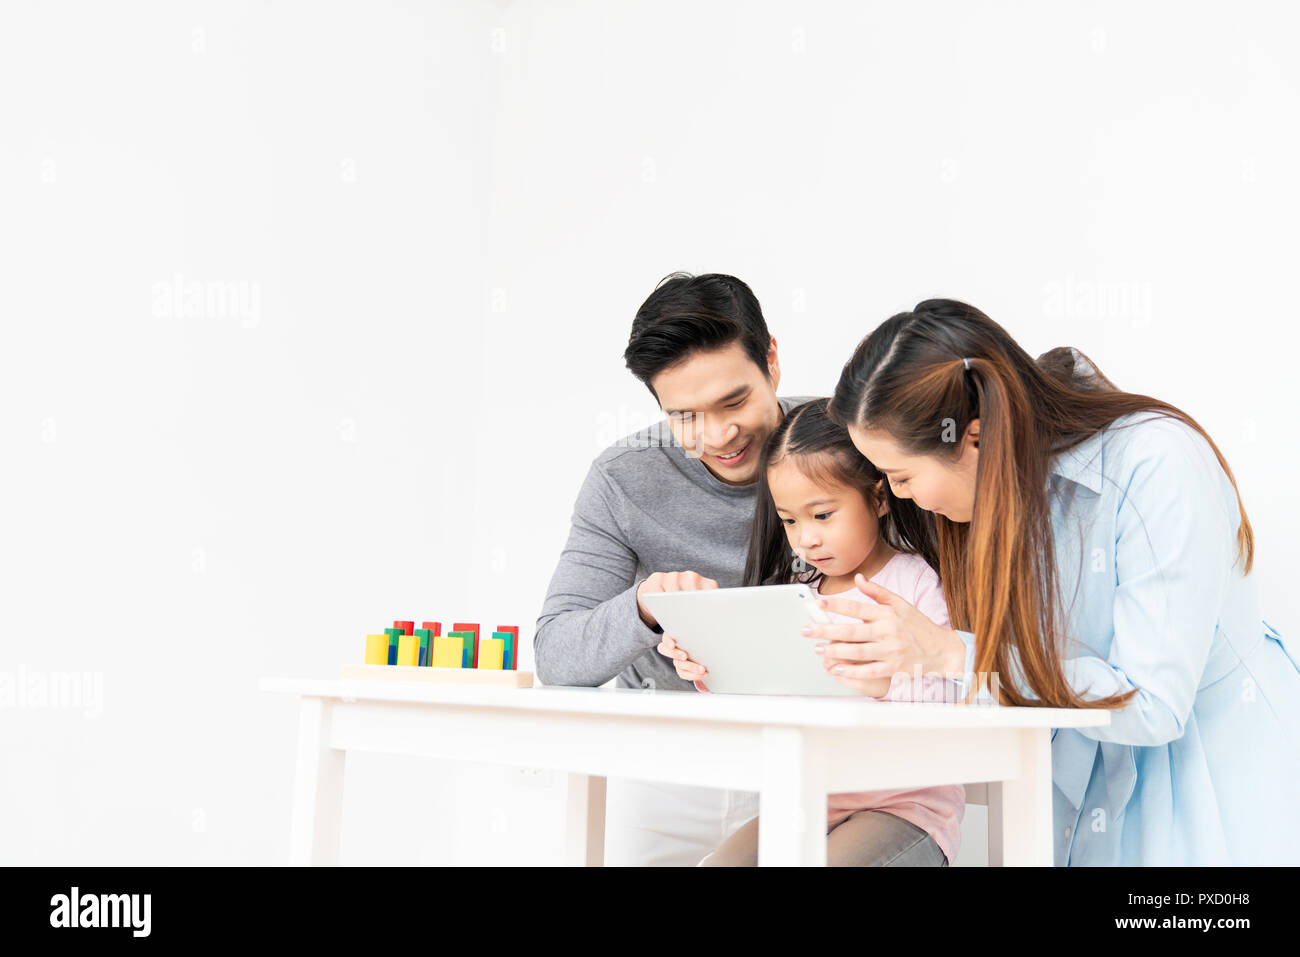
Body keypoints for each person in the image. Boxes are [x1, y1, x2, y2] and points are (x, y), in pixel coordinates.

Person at [802, 298, 1300, 865]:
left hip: (1214, 783)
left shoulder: (1157, 462)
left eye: (901, 476)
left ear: (975, 436)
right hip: (1083, 793)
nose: (900, 496)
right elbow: (1022, 679)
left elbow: (1153, 704)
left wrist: (952, 656)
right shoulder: (990, 501)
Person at [534, 271, 816, 865]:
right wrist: (647, 606)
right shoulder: (623, 478)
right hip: (667, 765)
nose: (718, 435)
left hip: (817, 760)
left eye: (734, 401)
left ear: (772, 361)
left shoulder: (843, 443)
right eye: (685, 416)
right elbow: (556, 654)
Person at [660, 398, 963, 866]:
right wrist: (710, 665)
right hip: (806, 800)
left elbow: (954, 696)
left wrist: (886, 684)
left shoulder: (917, 583)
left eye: (823, 515)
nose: (806, 538)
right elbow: (767, 691)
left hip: (905, 806)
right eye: (789, 520)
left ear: (879, 498)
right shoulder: (792, 595)